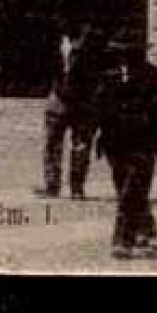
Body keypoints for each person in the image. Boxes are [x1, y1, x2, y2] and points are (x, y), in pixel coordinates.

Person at [93, 31, 157, 258]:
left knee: (130, 191)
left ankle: (123, 239)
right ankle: (146, 228)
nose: (123, 57)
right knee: (127, 188)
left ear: (140, 53)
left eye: (129, 53)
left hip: (145, 144)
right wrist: (88, 139)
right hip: (115, 145)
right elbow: (98, 111)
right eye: (119, 53)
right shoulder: (109, 77)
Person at [40, 21, 104, 200]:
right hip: (59, 101)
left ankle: (77, 187)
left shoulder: (92, 50)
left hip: (82, 103)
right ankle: (52, 185)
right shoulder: (56, 46)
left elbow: (96, 76)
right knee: (53, 144)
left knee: (81, 145)